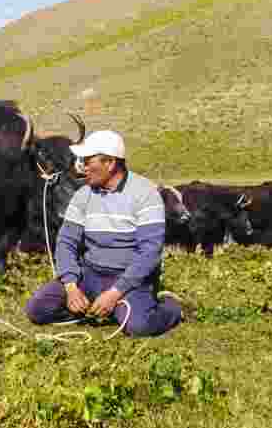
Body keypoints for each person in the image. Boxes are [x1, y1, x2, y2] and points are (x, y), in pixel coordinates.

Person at [24, 129, 183, 337]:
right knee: (37, 308)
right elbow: (66, 242)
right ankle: (95, 309)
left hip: (129, 280)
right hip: (89, 275)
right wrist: (71, 287)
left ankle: (171, 307)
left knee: (138, 326)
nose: (82, 166)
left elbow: (150, 252)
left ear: (110, 163)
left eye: (89, 160)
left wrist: (115, 293)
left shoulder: (145, 194)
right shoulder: (82, 195)